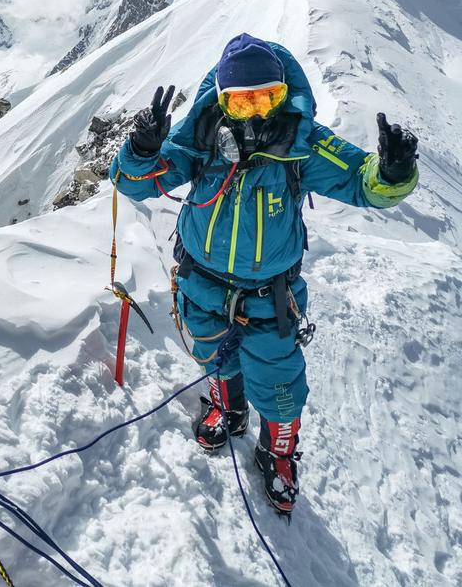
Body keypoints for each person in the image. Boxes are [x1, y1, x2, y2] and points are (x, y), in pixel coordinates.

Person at [109, 33, 419, 516]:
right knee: (213, 355)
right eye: (242, 101)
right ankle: (229, 410)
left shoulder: (301, 142)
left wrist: (393, 173)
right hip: (201, 281)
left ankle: (277, 453)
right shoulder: (202, 137)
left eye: (267, 97)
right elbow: (134, 183)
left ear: (283, 94)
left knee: (278, 382)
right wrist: (141, 150)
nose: (255, 111)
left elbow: (363, 182)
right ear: (222, 100)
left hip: (270, 295)